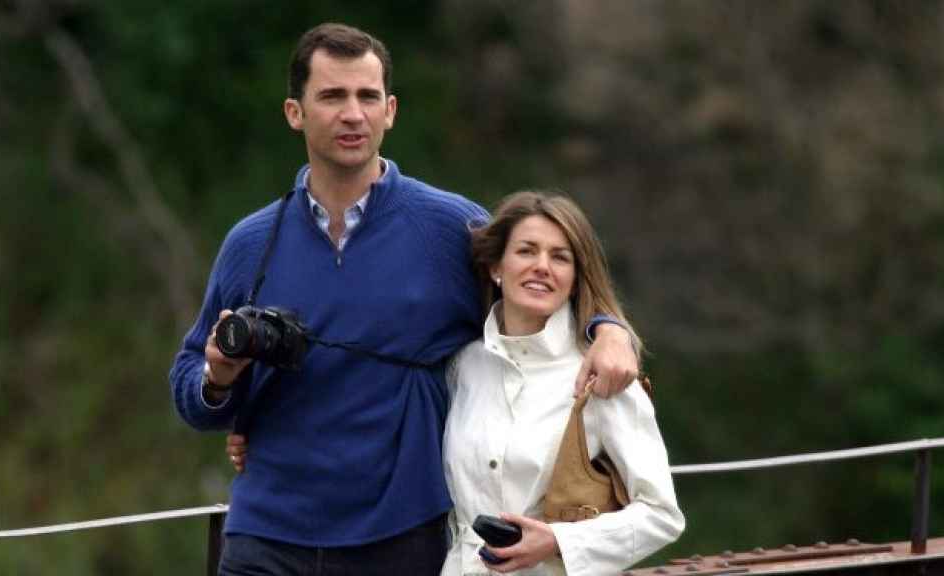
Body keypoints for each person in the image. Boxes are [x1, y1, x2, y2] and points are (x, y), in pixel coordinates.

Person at [169, 23, 639, 575]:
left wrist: (609, 329)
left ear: (390, 111)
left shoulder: (451, 228)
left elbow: (544, 291)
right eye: (332, 96)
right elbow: (190, 389)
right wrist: (218, 379)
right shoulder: (251, 243)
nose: (353, 114)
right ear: (295, 113)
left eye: (368, 97)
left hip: (400, 537)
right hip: (265, 537)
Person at [228, 191, 684, 574]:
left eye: (560, 257)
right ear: (496, 267)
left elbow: (662, 516)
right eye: (527, 251)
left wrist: (559, 542)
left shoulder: (603, 375)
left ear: (575, 278)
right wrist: (265, 431)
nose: (542, 266)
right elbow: (381, 408)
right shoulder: (463, 365)